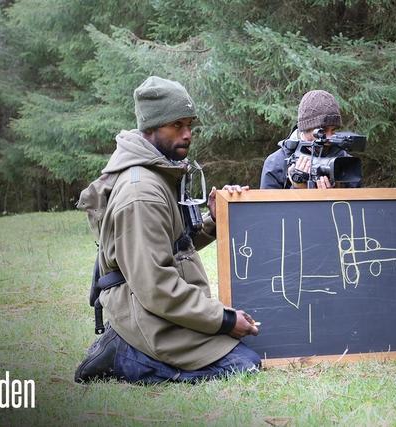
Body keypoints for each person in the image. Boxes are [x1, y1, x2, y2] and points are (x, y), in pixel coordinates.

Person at [74, 76, 260, 384]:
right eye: (177, 125)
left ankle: (129, 348)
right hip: (146, 317)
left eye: (190, 125)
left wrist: (214, 222)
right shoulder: (141, 192)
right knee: (245, 363)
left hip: (160, 309)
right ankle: (121, 353)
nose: (187, 134)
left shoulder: (157, 172)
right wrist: (224, 320)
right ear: (151, 126)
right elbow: (156, 287)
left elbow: (172, 246)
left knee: (248, 353)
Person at [260, 89, 359, 189]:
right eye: (322, 131)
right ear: (305, 129)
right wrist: (298, 188)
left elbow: (360, 202)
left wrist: (337, 192)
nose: (329, 137)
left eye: (333, 130)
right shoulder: (276, 163)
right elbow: (269, 204)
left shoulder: (345, 162)